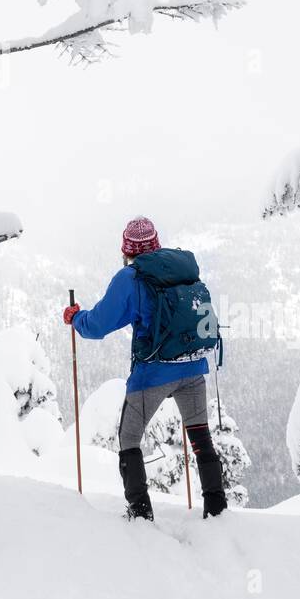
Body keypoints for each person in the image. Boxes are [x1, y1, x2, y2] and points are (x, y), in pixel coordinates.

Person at [63, 216, 227, 522]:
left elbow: (98, 325)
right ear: (156, 245)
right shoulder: (182, 270)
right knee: (201, 438)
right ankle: (217, 511)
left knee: (129, 439)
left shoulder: (130, 279)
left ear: (127, 250)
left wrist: (76, 318)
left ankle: (140, 514)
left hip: (153, 373)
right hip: (193, 366)